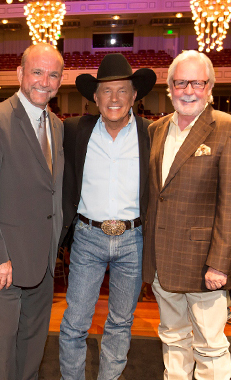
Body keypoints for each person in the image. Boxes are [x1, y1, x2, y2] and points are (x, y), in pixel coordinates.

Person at [142, 50, 231, 380]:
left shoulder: (230, 128)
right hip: (164, 260)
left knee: (210, 346)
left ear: (210, 87)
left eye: (197, 82)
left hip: (204, 265)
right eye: (181, 82)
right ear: (170, 87)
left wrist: (219, 263)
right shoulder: (157, 129)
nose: (188, 90)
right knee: (173, 340)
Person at [0, 43, 64, 380]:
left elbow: (51, 190)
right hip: (4, 260)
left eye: (53, 75)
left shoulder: (56, 125)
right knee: (4, 344)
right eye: (37, 72)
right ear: (20, 74)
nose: (44, 81)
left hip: (44, 257)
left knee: (34, 341)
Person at [59, 53, 156, 379]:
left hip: (134, 240)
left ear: (134, 96)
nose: (114, 98)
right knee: (75, 322)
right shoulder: (73, 130)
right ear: (95, 98)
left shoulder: (152, 133)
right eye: (106, 91)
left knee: (121, 321)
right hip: (88, 237)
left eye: (122, 90)